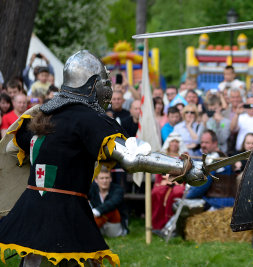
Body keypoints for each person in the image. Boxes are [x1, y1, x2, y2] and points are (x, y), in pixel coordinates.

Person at [0, 50, 208, 266]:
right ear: (92, 85)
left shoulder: (40, 115)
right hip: (64, 212)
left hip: (31, 209)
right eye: (105, 82)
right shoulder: (89, 119)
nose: (108, 89)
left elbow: (11, 151)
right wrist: (183, 166)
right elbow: (132, 157)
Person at [186, 130, 235, 210]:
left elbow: (201, 186)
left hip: (216, 203)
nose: (203, 145)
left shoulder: (214, 160)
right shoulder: (219, 156)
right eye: (202, 142)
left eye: (207, 142)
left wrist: (186, 196)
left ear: (215, 143)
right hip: (220, 201)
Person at [151, 133, 187, 230]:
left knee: (177, 193)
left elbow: (186, 172)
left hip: (178, 182)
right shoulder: (162, 156)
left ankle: (172, 226)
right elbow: (158, 172)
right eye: (172, 141)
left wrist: (176, 181)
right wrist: (163, 181)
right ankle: (158, 225)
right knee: (157, 192)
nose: (174, 144)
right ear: (168, 143)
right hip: (164, 181)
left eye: (177, 142)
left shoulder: (184, 157)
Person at [89, 166, 128, 237]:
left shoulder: (118, 189)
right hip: (99, 221)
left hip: (114, 224)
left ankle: (89, 229)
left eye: (107, 178)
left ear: (110, 179)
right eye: (102, 178)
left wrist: (96, 211)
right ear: (96, 180)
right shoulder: (92, 189)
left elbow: (114, 202)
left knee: (112, 209)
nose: (104, 181)